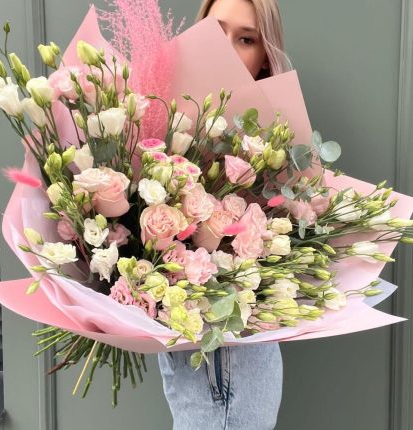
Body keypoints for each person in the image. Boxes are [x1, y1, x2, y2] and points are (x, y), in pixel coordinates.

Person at [158, 1, 291, 429]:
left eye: (246, 39)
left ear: (265, 55)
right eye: (217, 33)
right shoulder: (170, 123)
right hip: (194, 349)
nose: (227, 50)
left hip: (230, 354)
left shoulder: (271, 143)